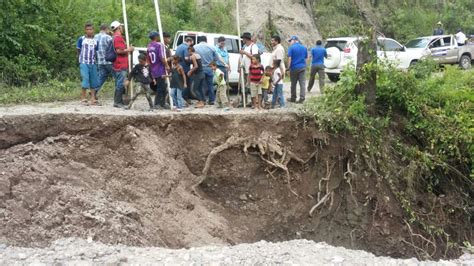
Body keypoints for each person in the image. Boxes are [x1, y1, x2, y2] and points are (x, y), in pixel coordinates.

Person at [194, 36, 229, 105]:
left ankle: (203, 100)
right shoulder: (211, 47)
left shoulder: (195, 47)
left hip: (200, 69)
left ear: (199, 41)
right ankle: (211, 100)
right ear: (206, 40)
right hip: (209, 68)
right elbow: (216, 58)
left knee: (202, 85)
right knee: (210, 85)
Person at [111, 20, 134, 108]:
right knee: (120, 83)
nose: (122, 28)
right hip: (120, 64)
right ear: (119, 28)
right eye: (121, 27)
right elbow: (119, 50)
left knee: (119, 82)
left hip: (118, 63)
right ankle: (117, 102)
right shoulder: (118, 38)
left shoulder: (115, 37)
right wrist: (129, 49)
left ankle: (118, 101)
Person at [76, 22, 99, 105]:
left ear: (93, 30)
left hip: (92, 63)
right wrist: (79, 60)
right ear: (85, 30)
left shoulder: (96, 40)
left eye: (91, 29)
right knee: (85, 79)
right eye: (88, 29)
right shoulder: (81, 39)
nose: (89, 31)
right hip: (83, 62)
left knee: (93, 80)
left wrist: (96, 61)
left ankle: (92, 98)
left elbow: (96, 51)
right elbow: (78, 49)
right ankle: (83, 97)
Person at [147, 31, 169, 109]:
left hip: (153, 68)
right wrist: (166, 65)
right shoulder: (159, 45)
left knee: (163, 86)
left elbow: (148, 59)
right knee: (161, 87)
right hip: (160, 69)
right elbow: (162, 57)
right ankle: (157, 104)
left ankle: (163, 103)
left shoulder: (149, 46)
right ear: (156, 37)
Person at [239, 32, 259, 106]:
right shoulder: (245, 47)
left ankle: (254, 103)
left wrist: (244, 52)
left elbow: (254, 57)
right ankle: (244, 101)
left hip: (251, 70)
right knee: (243, 86)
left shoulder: (253, 46)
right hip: (244, 69)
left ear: (246, 39)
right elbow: (242, 58)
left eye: (243, 38)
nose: (242, 40)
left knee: (251, 87)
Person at [94, 24, 113, 99]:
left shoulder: (95, 36)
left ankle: (94, 91)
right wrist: (112, 36)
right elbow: (113, 46)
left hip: (100, 61)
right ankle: (121, 94)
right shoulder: (108, 37)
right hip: (109, 61)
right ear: (106, 29)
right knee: (117, 77)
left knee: (101, 77)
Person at [287, 35, 308, 103]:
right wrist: (305, 66)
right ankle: (302, 98)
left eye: (291, 41)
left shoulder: (291, 48)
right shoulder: (304, 48)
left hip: (294, 68)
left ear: (294, 40)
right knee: (302, 84)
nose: (290, 42)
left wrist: (288, 67)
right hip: (302, 68)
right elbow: (306, 58)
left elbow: (290, 59)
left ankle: (293, 98)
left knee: (293, 84)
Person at [175, 37, 194, 102]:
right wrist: (192, 61)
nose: (191, 45)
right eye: (191, 44)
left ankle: (178, 98)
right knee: (186, 84)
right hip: (185, 69)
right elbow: (186, 58)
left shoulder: (178, 47)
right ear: (189, 41)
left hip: (178, 68)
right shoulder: (186, 47)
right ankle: (184, 99)